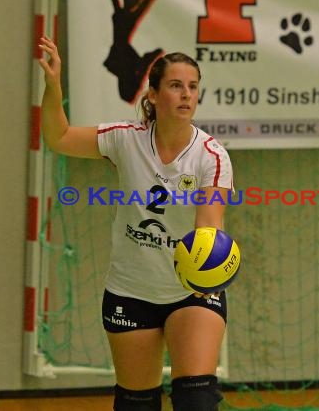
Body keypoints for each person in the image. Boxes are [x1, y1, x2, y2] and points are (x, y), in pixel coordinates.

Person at [38, 36, 235, 411]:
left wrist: (209, 262)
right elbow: (59, 137)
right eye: (176, 85)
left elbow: (208, 229)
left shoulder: (212, 157)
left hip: (190, 291)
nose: (186, 95)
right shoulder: (125, 140)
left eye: (193, 87)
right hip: (132, 288)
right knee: (136, 404)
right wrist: (53, 87)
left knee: (196, 399)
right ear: (154, 95)